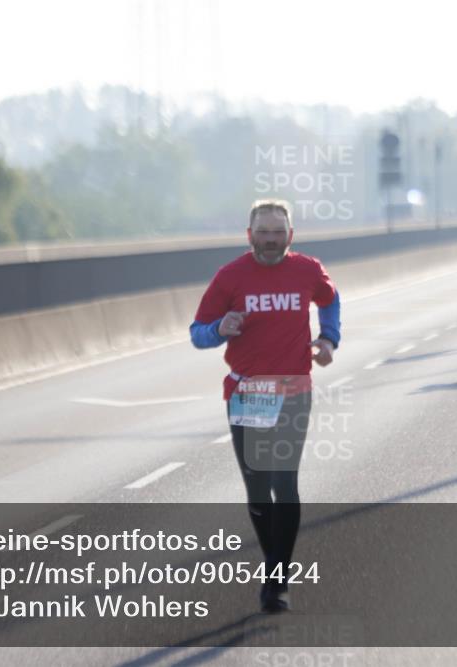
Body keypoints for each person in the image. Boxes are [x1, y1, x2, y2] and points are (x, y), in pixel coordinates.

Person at [190, 199, 341, 613]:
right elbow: (197, 333)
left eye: (278, 233)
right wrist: (220, 328)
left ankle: (276, 581)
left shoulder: (308, 270)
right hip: (248, 393)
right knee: (257, 490)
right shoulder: (230, 277)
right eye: (263, 233)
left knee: (284, 484)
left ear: (290, 236)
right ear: (249, 235)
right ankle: (274, 567)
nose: (270, 241)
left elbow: (330, 298)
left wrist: (329, 338)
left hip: (293, 390)